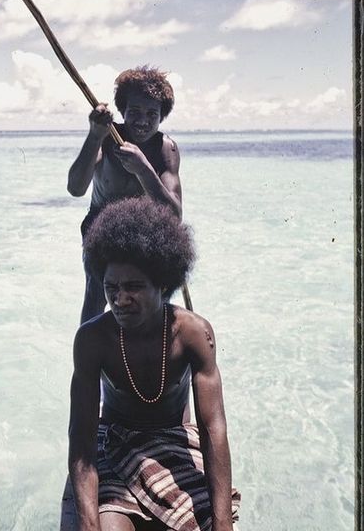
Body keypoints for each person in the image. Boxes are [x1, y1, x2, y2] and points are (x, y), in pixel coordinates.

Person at [68, 197, 240, 531]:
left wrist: (223, 524)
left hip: (175, 440)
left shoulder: (192, 334)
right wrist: (89, 525)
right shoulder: (92, 340)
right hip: (114, 445)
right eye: (111, 287)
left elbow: (213, 427)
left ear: (163, 284)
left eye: (133, 287)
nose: (119, 299)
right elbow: (82, 440)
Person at [67, 66, 182, 323]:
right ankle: (88, 359)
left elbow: (174, 216)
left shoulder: (166, 149)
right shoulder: (108, 137)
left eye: (152, 113)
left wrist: (144, 169)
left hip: (145, 233)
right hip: (101, 230)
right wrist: (94, 136)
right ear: (123, 111)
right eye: (135, 112)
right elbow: (75, 188)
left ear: (162, 116)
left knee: (153, 300)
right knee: (96, 295)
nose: (142, 121)